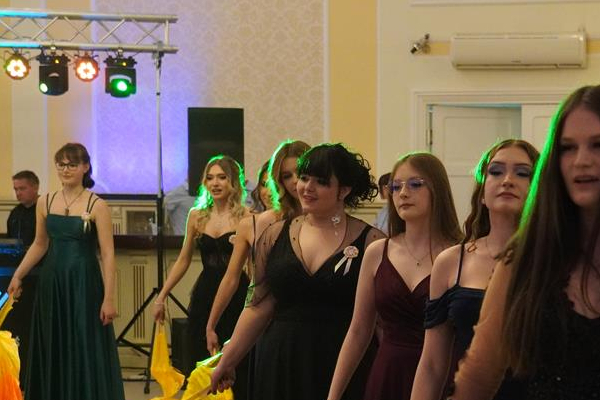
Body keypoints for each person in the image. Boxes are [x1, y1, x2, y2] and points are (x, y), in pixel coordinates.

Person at [452, 85, 600, 399]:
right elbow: (477, 376)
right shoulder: (526, 257)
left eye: (597, 145)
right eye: (568, 148)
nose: (581, 161)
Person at [210, 143, 385, 400]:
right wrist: (228, 360)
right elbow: (258, 305)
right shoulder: (274, 235)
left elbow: (380, 321)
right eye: (304, 178)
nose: (306, 187)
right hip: (281, 357)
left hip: (343, 360)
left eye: (321, 181)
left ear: (344, 190)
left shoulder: (372, 241)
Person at [327, 152, 463, 400]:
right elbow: (358, 331)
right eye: (396, 186)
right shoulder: (378, 252)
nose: (403, 193)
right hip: (388, 374)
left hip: (444, 376)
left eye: (415, 184)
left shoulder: (460, 255)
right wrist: (333, 395)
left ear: (437, 189)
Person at [410, 140, 539, 400]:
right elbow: (432, 364)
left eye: (522, 173)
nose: (507, 180)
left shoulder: (557, 260)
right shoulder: (451, 262)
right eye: (496, 171)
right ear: (482, 192)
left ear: (539, 188)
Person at [7, 143, 124, 400]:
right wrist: (18, 275)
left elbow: (107, 254)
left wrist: (109, 298)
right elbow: (40, 244)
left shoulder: (97, 205)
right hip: (52, 282)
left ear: (85, 167)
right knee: (54, 341)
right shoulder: (45, 201)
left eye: (72, 164)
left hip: (84, 283)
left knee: (83, 342)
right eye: (61, 164)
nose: (65, 169)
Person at [152, 155, 250, 398]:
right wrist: (162, 296)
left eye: (222, 177)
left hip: (237, 293)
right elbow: (183, 260)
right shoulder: (197, 215)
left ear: (233, 181)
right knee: (202, 357)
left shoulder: (246, 216)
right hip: (205, 292)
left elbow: (253, 263)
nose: (215, 183)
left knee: (235, 359)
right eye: (210, 178)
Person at [7, 170, 40, 247]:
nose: (18, 193)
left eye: (22, 189)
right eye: (16, 189)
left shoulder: (45, 210)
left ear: (36, 188)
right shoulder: (15, 212)